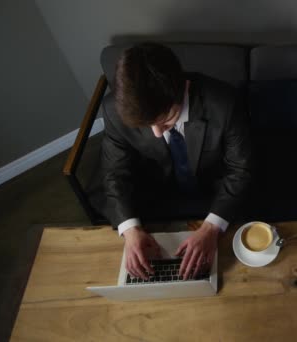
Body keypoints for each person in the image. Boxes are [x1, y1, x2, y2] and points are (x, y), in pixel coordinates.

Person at [98, 42, 252, 280]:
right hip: (154, 195)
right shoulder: (112, 111)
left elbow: (241, 170)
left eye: (167, 120)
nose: (157, 133)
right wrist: (130, 230)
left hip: (215, 195)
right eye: (146, 125)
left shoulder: (224, 104)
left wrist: (212, 228)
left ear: (183, 88)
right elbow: (115, 173)